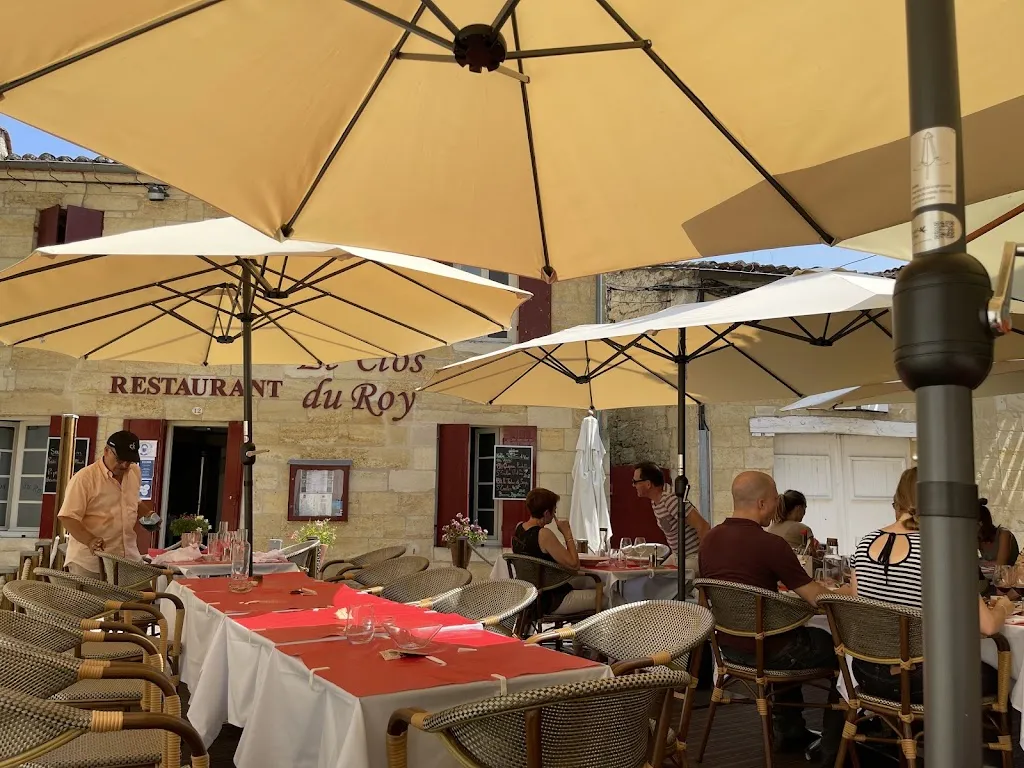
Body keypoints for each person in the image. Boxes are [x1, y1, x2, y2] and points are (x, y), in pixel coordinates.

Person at [699, 471, 842, 764]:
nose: (778, 503)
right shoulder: (769, 545)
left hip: (729, 649)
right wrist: (852, 589)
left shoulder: (710, 540)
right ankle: (833, 745)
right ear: (762, 502)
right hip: (770, 651)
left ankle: (790, 729)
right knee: (842, 651)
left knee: (779, 632)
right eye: (775, 498)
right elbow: (815, 596)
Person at [848, 467, 1012, 702]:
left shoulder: (865, 543)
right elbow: (987, 626)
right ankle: (961, 737)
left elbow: (862, 606)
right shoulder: (943, 547)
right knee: (1003, 676)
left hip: (867, 674)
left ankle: (905, 733)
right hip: (927, 679)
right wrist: (1003, 608)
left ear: (898, 501)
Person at [57, 430, 154, 580]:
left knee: (139, 601)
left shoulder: (134, 471)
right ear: (107, 451)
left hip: (128, 559)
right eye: (120, 459)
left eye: (130, 461)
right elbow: (68, 517)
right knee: (97, 604)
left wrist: (148, 516)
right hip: (92, 563)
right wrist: (90, 540)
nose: (124, 465)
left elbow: (134, 501)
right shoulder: (84, 478)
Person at [511, 488, 598, 615]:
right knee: (607, 596)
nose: (555, 512)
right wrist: (567, 533)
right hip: (551, 600)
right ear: (546, 513)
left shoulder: (518, 528)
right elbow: (574, 564)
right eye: (554, 509)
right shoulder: (544, 534)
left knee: (592, 582)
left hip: (528, 597)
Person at [632, 461, 709, 572]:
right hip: (678, 556)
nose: (633, 485)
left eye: (635, 482)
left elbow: (703, 526)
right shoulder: (655, 501)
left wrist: (703, 560)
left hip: (692, 557)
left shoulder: (670, 500)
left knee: (659, 578)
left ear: (648, 484)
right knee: (652, 575)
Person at [978, 497, 1020, 567]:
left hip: (1009, 576)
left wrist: (979, 563)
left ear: (980, 523)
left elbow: (1001, 564)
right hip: (990, 576)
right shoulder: (978, 539)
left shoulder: (1003, 534)